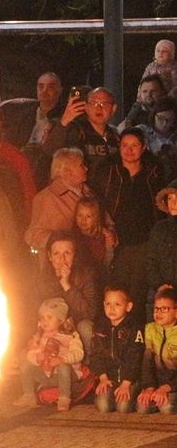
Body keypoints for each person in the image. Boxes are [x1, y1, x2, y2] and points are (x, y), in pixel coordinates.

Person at [96, 127, 169, 313]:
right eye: (125, 145)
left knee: (137, 293)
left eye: (134, 145)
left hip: (144, 242)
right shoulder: (109, 171)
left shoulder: (154, 171)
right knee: (115, 292)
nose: (129, 150)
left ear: (143, 147)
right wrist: (104, 228)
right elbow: (97, 202)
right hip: (116, 241)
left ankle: (136, 336)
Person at [25, 148, 100, 255]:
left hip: (89, 260)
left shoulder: (89, 194)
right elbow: (32, 234)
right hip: (59, 263)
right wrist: (59, 239)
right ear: (67, 171)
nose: (86, 169)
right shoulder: (46, 198)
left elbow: (103, 221)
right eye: (81, 165)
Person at [15, 297, 84, 412]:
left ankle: (64, 398)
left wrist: (63, 359)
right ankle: (28, 395)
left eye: (49, 317)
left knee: (63, 367)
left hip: (66, 377)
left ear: (60, 319)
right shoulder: (40, 335)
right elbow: (31, 352)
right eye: (42, 318)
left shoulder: (70, 336)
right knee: (25, 359)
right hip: (46, 375)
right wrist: (36, 358)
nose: (44, 321)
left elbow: (78, 353)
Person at [36, 231, 99, 353]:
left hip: (77, 327)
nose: (62, 259)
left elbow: (90, 313)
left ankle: (87, 366)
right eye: (56, 253)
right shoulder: (43, 279)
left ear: (75, 255)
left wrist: (67, 285)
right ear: (49, 256)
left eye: (67, 253)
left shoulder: (86, 275)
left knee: (86, 327)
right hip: (52, 331)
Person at [44, 87, 120, 183]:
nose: (99, 108)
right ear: (86, 107)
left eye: (104, 104)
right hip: (80, 193)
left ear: (113, 109)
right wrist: (64, 121)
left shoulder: (116, 137)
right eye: (94, 103)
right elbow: (49, 149)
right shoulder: (75, 131)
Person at [89, 284, 144, 413]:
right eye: (108, 304)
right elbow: (96, 355)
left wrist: (126, 383)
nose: (111, 308)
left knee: (123, 407)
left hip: (129, 379)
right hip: (109, 379)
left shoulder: (134, 328)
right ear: (103, 305)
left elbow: (136, 358)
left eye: (117, 304)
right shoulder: (100, 327)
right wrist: (103, 378)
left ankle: (136, 396)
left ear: (128, 306)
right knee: (103, 406)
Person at [136, 288, 177, 414]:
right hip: (158, 383)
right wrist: (149, 387)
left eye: (164, 309)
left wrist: (167, 387)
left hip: (174, 385)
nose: (159, 313)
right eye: (156, 308)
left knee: (166, 408)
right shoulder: (150, 330)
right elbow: (147, 363)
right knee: (143, 407)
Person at [74, 196, 114, 273]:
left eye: (88, 216)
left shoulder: (102, 235)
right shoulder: (74, 235)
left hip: (99, 270)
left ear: (95, 218)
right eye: (80, 215)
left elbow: (108, 256)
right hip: (82, 272)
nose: (83, 220)